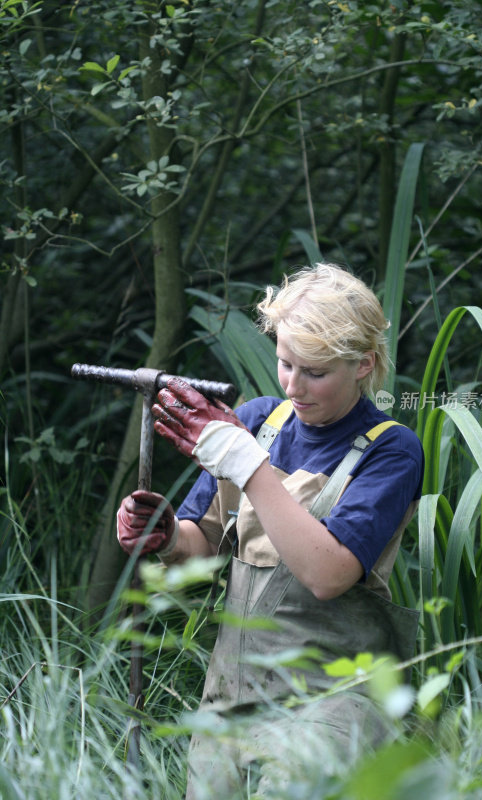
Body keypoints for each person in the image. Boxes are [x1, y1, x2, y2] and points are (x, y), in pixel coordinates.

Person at [117, 263, 424, 798]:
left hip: (334, 701)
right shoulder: (259, 420)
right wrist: (163, 536)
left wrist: (249, 466)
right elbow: (199, 548)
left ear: (363, 364)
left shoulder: (390, 449)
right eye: (285, 363)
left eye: (315, 371)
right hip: (231, 697)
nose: (294, 385)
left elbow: (327, 574)